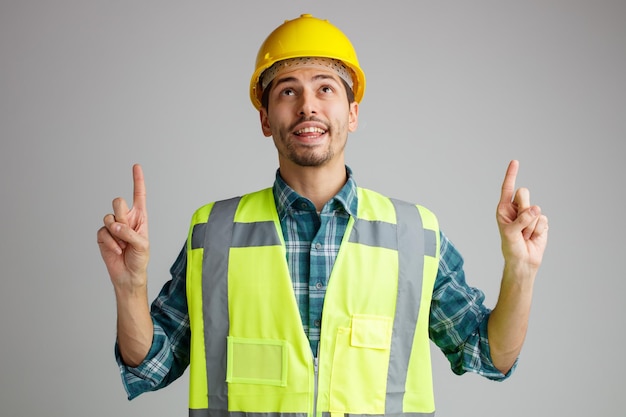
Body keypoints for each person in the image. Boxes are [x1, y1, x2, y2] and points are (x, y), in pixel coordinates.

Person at [97, 13, 549, 416]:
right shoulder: (214, 233)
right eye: (288, 91)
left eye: (325, 88)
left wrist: (521, 271)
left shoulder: (414, 235)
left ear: (352, 113)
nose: (307, 106)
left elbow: (490, 355)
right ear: (264, 119)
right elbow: (151, 366)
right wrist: (129, 285)